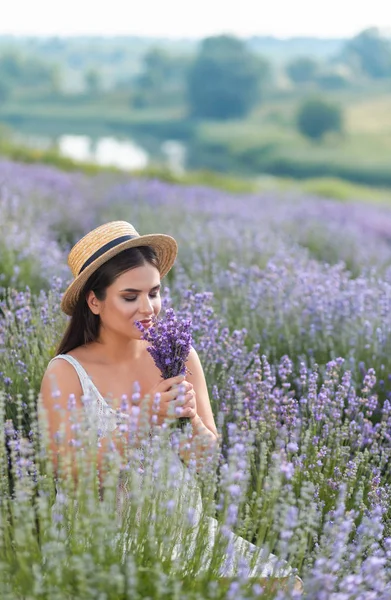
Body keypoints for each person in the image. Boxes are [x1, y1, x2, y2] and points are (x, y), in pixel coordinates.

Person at [39, 220, 302, 592]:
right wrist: (143, 419)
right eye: (130, 296)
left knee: (285, 585)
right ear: (94, 301)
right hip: (101, 535)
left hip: (182, 528)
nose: (148, 308)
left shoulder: (178, 355)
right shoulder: (66, 371)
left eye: (154, 293)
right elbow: (70, 473)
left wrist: (190, 418)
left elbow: (205, 459)